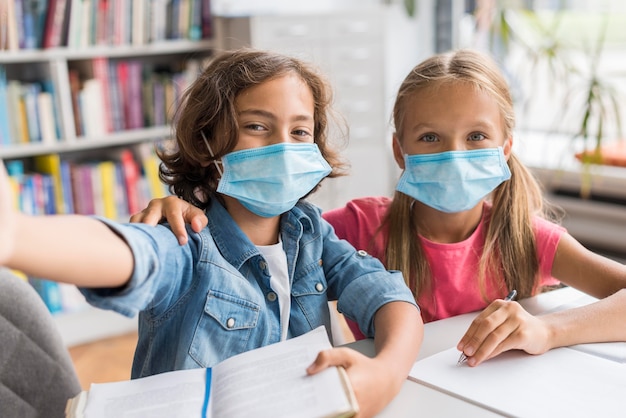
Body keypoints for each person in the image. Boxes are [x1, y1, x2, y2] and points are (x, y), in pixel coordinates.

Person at [133, 48, 626, 368]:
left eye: (476, 137)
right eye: (430, 138)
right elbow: (254, 244)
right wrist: (184, 204)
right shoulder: (362, 226)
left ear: (506, 148)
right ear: (399, 150)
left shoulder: (528, 236)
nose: (453, 155)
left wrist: (547, 329)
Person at [0, 49, 424, 417]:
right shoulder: (188, 238)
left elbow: (386, 295)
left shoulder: (311, 231)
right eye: (257, 126)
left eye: (299, 132)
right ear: (208, 142)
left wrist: (387, 372)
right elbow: (131, 255)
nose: (283, 146)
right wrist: (17, 236)